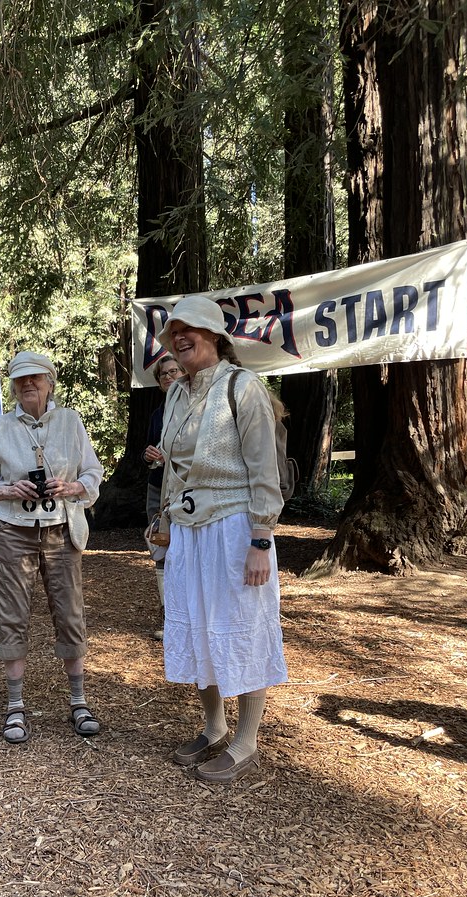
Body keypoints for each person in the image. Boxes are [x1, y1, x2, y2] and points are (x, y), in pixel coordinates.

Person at [156, 295, 288, 784]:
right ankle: (214, 727)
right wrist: (167, 520)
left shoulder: (242, 387)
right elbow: (175, 467)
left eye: (189, 328)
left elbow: (263, 468)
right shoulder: (175, 393)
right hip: (189, 531)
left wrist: (261, 538)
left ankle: (246, 740)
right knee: (194, 624)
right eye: (173, 331)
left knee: (243, 624)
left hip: (235, 526)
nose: (179, 337)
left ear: (214, 334)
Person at [0, 351, 103, 744]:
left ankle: (78, 700)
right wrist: (7, 489)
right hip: (13, 530)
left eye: (36, 379)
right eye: (21, 380)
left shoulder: (70, 420)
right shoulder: (3, 426)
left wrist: (73, 487)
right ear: (13, 386)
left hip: (61, 529)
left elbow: (93, 472)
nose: (29, 385)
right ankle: (15, 706)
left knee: (70, 612)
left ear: (50, 382)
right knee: (12, 613)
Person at [142, 354, 184, 640]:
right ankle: (169, 616)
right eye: (163, 375)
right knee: (160, 545)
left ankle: (189, 617)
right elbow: (146, 451)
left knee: (187, 549)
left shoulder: (198, 406)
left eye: (173, 371)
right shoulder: (158, 414)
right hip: (158, 488)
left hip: (186, 491)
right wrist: (149, 456)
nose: (168, 377)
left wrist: (171, 457)